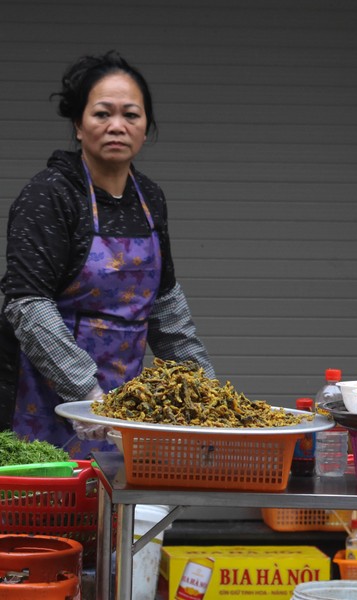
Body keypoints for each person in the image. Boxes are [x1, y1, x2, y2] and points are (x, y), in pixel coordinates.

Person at [0, 50, 214, 458]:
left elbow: (166, 309)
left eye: (131, 115)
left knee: (117, 511)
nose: (117, 126)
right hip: (42, 401)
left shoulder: (149, 198)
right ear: (79, 125)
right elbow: (27, 305)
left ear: (147, 127)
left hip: (120, 409)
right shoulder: (51, 194)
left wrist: (207, 396)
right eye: (102, 114)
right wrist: (88, 395)